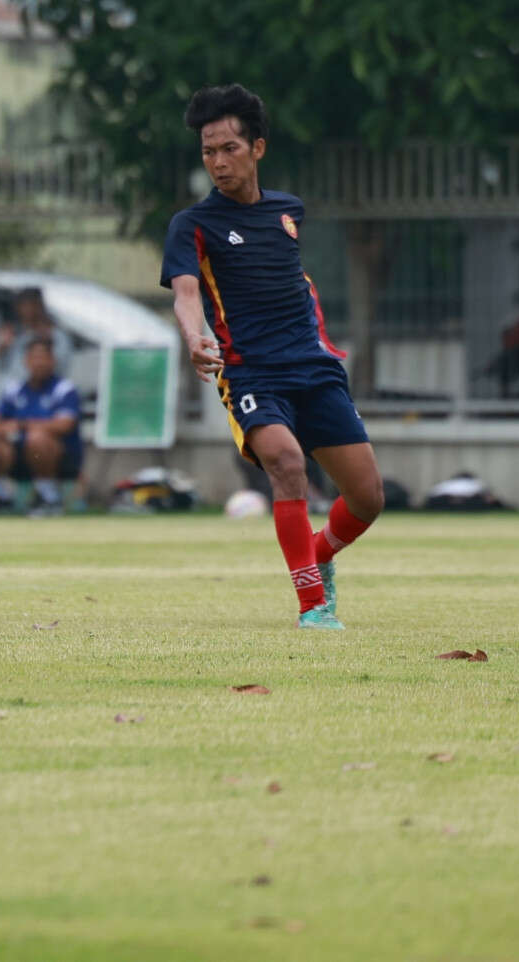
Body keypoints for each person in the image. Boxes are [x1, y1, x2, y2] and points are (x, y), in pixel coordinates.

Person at [163, 83, 383, 630]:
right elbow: (187, 294)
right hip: (250, 372)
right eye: (208, 152)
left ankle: (321, 553)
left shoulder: (288, 212)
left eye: (229, 148)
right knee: (287, 464)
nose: (218, 162)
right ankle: (313, 606)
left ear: (258, 148)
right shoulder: (191, 225)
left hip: (314, 368)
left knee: (367, 498)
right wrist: (195, 339)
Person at [0, 336, 84, 513]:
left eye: (43, 358)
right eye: (34, 358)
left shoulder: (64, 389)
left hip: (58, 457)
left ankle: (48, 497)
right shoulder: (13, 389)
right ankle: (0, 496)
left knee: (37, 438)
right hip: (16, 455)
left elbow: (64, 425)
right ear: (26, 361)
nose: (39, 363)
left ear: (53, 361)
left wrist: (21, 425)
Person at [0, 286, 74, 375]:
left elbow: (61, 369)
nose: (28, 310)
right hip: (11, 387)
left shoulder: (58, 337)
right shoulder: (12, 334)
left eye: (31, 305)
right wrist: (1, 348)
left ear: (40, 307)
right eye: (23, 305)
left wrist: (45, 349)